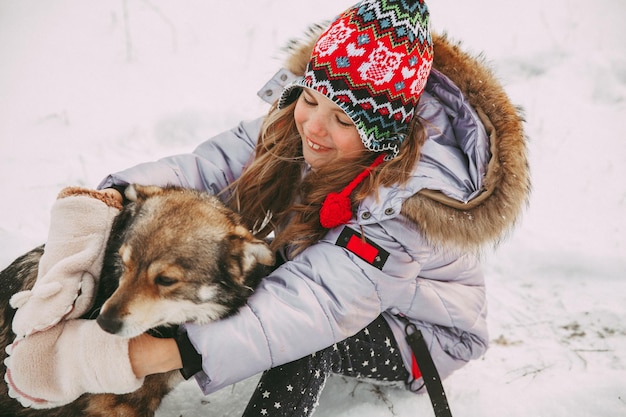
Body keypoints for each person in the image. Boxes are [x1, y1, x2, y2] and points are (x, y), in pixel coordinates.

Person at [5, 0, 530, 415]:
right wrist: (113, 200)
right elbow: (202, 171)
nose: (314, 128)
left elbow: (313, 304)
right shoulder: (294, 127)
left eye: (344, 121)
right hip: (321, 278)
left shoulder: (408, 211)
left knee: (302, 342)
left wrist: (143, 356)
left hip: (416, 330)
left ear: (383, 137)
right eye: (310, 99)